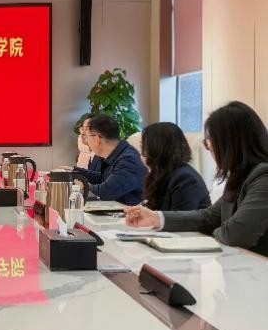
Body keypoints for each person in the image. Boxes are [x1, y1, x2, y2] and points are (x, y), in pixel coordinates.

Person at [126, 101, 268, 256]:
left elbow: (237, 234)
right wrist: (157, 218)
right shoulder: (240, 174)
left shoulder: (263, 176)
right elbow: (209, 217)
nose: (210, 150)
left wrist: (212, 235)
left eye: (210, 143)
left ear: (230, 144)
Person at [73, 114, 146, 205]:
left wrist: (83, 186)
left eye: (88, 137)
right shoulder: (118, 154)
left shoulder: (128, 160)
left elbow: (106, 191)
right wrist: (74, 171)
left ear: (97, 139)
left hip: (127, 212)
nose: (87, 141)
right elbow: (102, 178)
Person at [141, 122, 211, 211]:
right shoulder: (162, 173)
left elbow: (180, 218)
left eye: (145, 147)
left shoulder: (185, 178)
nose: (143, 152)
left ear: (157, 148)